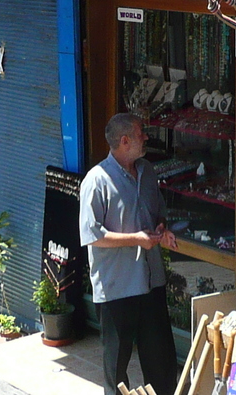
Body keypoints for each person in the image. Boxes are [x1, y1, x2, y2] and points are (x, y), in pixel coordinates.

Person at [79, 113, 178, 395]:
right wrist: (137, 239)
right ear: (125, 141)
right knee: (117, 367)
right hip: (117, 288)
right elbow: (92, 235)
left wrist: (162, 229)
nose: (146, 137)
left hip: (151, 281)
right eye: (141, 133)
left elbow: (157, 212)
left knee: (161, 360)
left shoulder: (147, 170)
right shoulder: (96, 181)